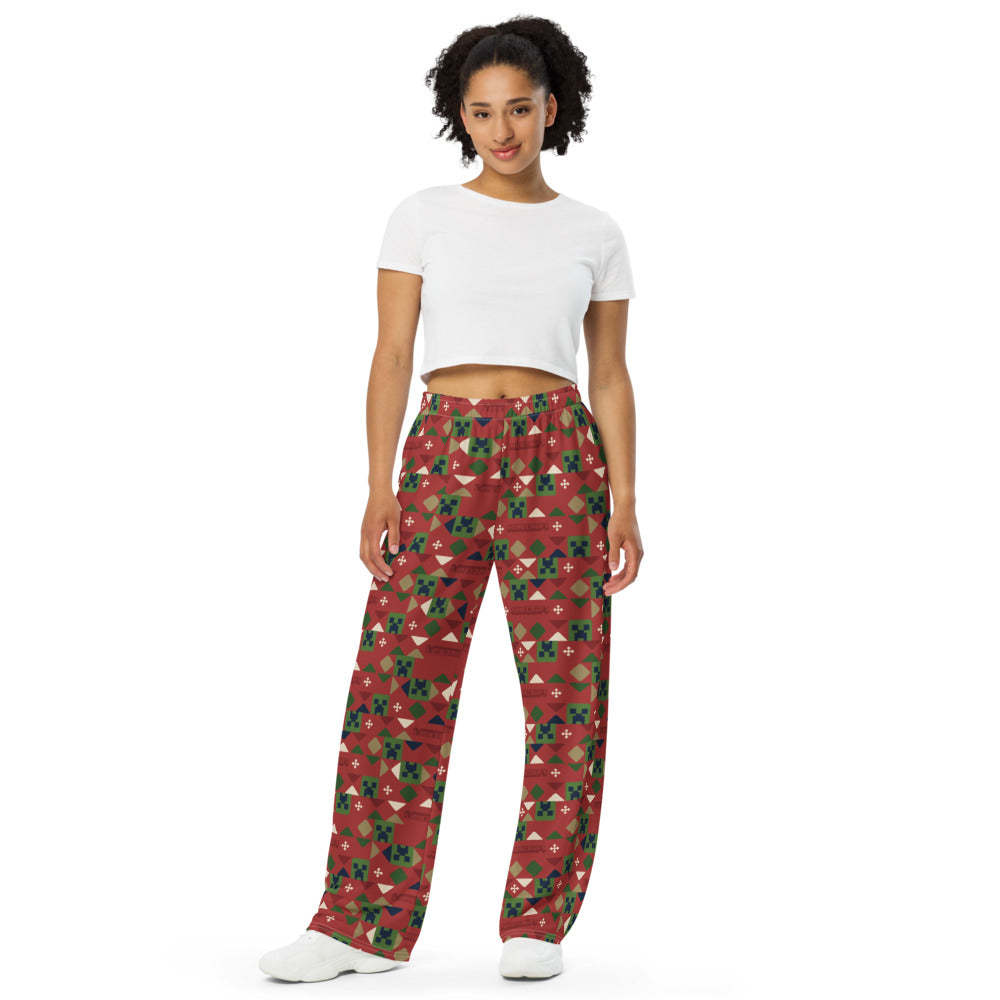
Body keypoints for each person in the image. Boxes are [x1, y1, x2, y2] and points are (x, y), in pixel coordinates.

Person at [259, 15, 643, 983]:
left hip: (560, 457)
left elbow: (609, 374)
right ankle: (360, 922)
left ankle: (537, 919)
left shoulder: (594, 232)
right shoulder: (422, 214)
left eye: (518, 109)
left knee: (567, 692)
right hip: (443, 451)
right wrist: (377, 483)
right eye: (481, 112)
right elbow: (392, 354)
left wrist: (626, 499)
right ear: (458, 117)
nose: (501, 130)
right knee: (398, 683)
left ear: (552, 108)